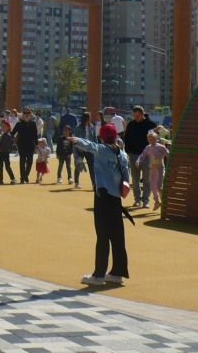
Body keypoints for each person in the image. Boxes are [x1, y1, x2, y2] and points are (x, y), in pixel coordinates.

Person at [70, 124, 130, 286]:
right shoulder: (122, 154)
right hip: (116, 198)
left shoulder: (102, 149)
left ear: (102, 136)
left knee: (103, 235)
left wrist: (75, 140)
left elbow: (89, 146)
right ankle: (118, 272)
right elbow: (126, 177)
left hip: (103, 196)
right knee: (117, 236)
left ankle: (99, 275)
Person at [123, 105, 156, 207]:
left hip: (147, 156)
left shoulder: (151, 125)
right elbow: (126, 138)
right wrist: (128, 151)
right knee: (135, 179)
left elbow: (155, 140)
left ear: (142, 114)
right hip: (133, 155)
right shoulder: (131, 125)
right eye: (134, 116)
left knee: (147, 179)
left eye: (137, 116)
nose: (135, 118)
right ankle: (137, 199)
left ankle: (146, 200)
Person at [137, 130, 169, 210]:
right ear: (148, 140)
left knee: (158, 187)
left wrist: (169, 159)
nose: (151, 141)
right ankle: (157, 201)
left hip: (160, 169)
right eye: (150, 139)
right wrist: (138, 161)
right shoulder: (148, 148)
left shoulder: (161, 147)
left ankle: (164, 200)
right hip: (152, 169)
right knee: (152, 186)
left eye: (153, 139)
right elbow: (142, 155)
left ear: (156, 139)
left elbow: (168, 154)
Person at [11, 108, 39, 183]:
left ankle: (26, 175)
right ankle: (22, 178)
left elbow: (35, 135)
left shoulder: (33, 124)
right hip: (21, 145)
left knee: (30, 161)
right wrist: (12, 140)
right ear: (23, 115)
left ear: (30, 115)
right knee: (22, 161)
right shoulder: (19, 124)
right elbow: (12, 133)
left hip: (31, 145)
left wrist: (37, 145)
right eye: (25, 114)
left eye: (28, 114)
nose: (26, 115)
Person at [73, 112, 97, 189]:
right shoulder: (77, 128)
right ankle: (76, 182)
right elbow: (75, 140)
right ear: (86, 118)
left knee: (92, 168)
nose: (91, 119)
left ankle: (94, 184)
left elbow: (95, 138)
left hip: (89, 149)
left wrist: (96, 148)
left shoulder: (92, 127)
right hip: (80, 150)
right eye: (89, 117)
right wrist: (75, 153)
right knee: (79, 166)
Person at [0, 120, 16, 185]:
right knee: (0, 166)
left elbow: (7, 144)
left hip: (6, 153)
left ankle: (13, 179)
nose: (3, 128)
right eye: (2, 126)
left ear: (8, 127)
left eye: (4, 126)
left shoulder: (8, 135)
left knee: (7, 166)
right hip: (1, 152)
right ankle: (1, 180)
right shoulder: (3, 135)